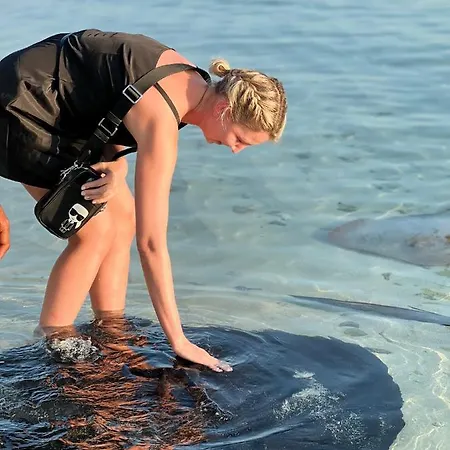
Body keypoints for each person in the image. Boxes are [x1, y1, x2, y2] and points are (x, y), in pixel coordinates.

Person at [0, 29, 287, 372]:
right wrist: (178, 340)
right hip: (20, 106)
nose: (236, 150)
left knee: (124, 220)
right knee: (95, 232)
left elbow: (114, 94)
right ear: (225, 109)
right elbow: (151, 244)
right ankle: (54, 337)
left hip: (63, 107)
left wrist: (116, 165)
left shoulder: (190, 82)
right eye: (240, 139)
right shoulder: (162, 117)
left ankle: (110, 328)